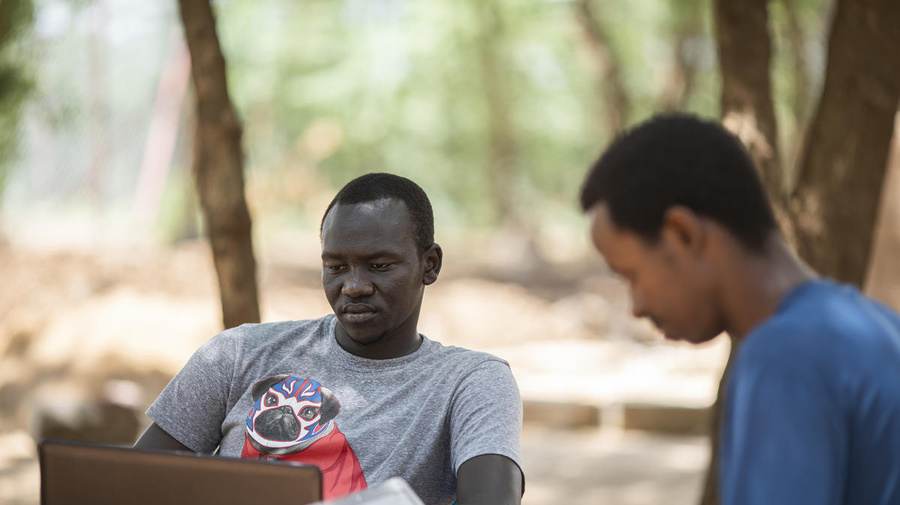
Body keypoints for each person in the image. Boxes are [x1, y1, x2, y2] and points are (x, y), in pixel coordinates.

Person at [135, 173, 524, 505]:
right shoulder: (237, 354)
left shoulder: (469, 382)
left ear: (430, 265)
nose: (354, 286)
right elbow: (132, 483)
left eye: (379, 265)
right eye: (336, 267)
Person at [579, 113, 900, 505]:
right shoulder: (879, 326)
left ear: (683, 233)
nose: (636, 306)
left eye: (631, 275)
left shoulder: (783, 357)